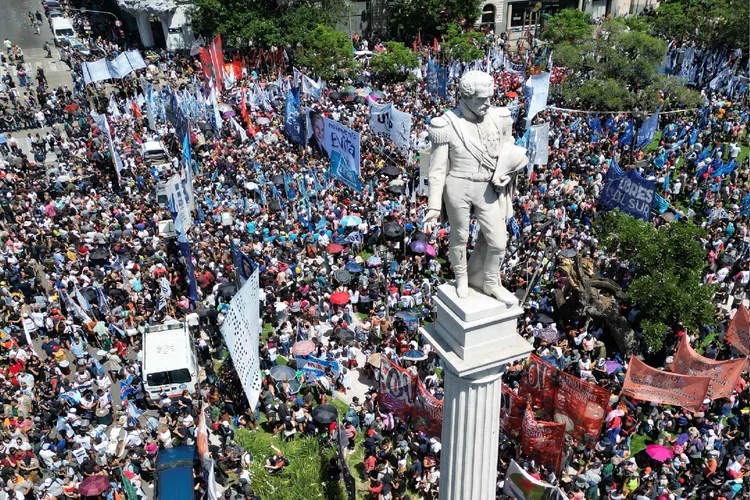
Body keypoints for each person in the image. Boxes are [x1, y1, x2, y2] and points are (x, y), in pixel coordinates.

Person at [422, 71, 527, 304]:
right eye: (482, 99)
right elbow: (437, 170)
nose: (488, 103)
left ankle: (490, 281)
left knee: (499, 242)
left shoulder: (499, 117)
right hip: (457, 185)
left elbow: (507, 145)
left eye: (490, 97)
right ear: (466, 97)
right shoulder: (446, 124)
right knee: (459, 237)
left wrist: (509, 166)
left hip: (487, 186)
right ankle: (461, 277)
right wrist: (433, 207)